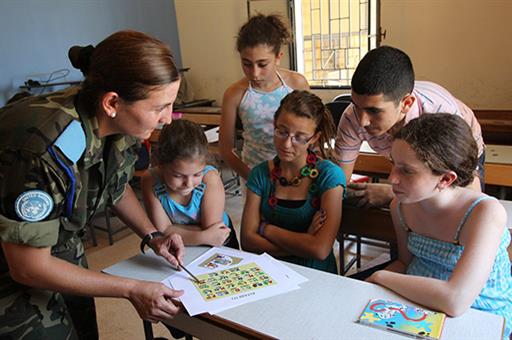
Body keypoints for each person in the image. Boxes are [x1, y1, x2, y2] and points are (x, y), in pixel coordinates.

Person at [0, 31, 186, 340]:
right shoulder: (42, 150)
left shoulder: (121, 122)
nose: (167, 118)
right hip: (11, 263)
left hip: (57, 242)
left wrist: (154, 235)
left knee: (84, 328)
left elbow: (114, 186)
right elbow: (27, 268)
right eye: (159, 108)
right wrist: (131, 289)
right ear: (112, 102)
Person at [366, 114, 511, 339]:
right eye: (393, 164)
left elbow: (456, 300)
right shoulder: (401, 206)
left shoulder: (485, 213)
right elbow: (405, 262)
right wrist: (366, 290)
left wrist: (380, 277)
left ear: (446, 179)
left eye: (406, 170)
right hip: (417, 301)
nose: (391, 178)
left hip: (479, 313)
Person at [335, 46, 484, 208]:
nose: (362, 121)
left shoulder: (440, 114)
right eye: (356, 105)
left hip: (461, 149)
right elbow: (339, 182)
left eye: (374, 111)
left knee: (451, 209)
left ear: (406, 103)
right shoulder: (352, 117)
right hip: (409, 161)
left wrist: (391, 194)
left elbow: (463, 190)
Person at [241, 90, 345, 274]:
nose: (286, 144)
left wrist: (266, 229)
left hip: (315, 275)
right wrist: (305, 241)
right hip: (271, 273)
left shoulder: (329, 176)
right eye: (281, 131)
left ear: (314, 138)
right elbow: (248, 241)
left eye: (299, 137)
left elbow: (320, 250)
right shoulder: (260, 174)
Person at [220, 14, 309, 180]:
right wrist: (254, 178)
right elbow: (225, 150)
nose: (254, 73)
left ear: (278, 58)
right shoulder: (234, 94)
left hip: (295, 173)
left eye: (262, 64)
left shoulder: (296, 84)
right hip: (255, 174)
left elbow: (311, 131)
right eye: (246, 64)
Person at [141, 119, 239, 249]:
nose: (188, 183)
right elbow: (162, 231)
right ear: (161, 165)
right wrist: (203, 236)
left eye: (197, 174)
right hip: (182, 245)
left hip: (221, 242)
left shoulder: (210, 178)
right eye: (178, 175)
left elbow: (215, 233)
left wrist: (172, 230)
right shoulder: (150, 180)